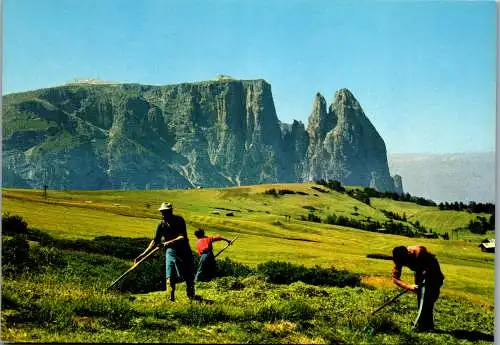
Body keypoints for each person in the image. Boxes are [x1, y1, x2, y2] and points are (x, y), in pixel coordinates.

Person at [135, 202, 200, 302]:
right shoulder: (161, 225)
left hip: (184, 249)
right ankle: (170, 296)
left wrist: (168, 242)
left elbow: (182, 236)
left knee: (188, 272)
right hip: (171, 250)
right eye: (162, 213)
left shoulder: (179, 220)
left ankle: (191, 294)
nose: (163, 215)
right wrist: (144, 254)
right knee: (170, 271)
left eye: (166, 212)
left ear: (171, 211)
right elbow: (155, 241)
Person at [391, 245, 445, 332]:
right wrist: (409, 286)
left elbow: (430, 269)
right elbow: (395, 278)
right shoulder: (399, 258)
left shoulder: (419, 254)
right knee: (422, 300)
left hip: (434, 275)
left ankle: (423, 326)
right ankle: (425, 326)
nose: (402, 264)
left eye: (404, 261)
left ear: (408, 254)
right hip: (420, 275)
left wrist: (423, 280)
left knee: (428, 300)